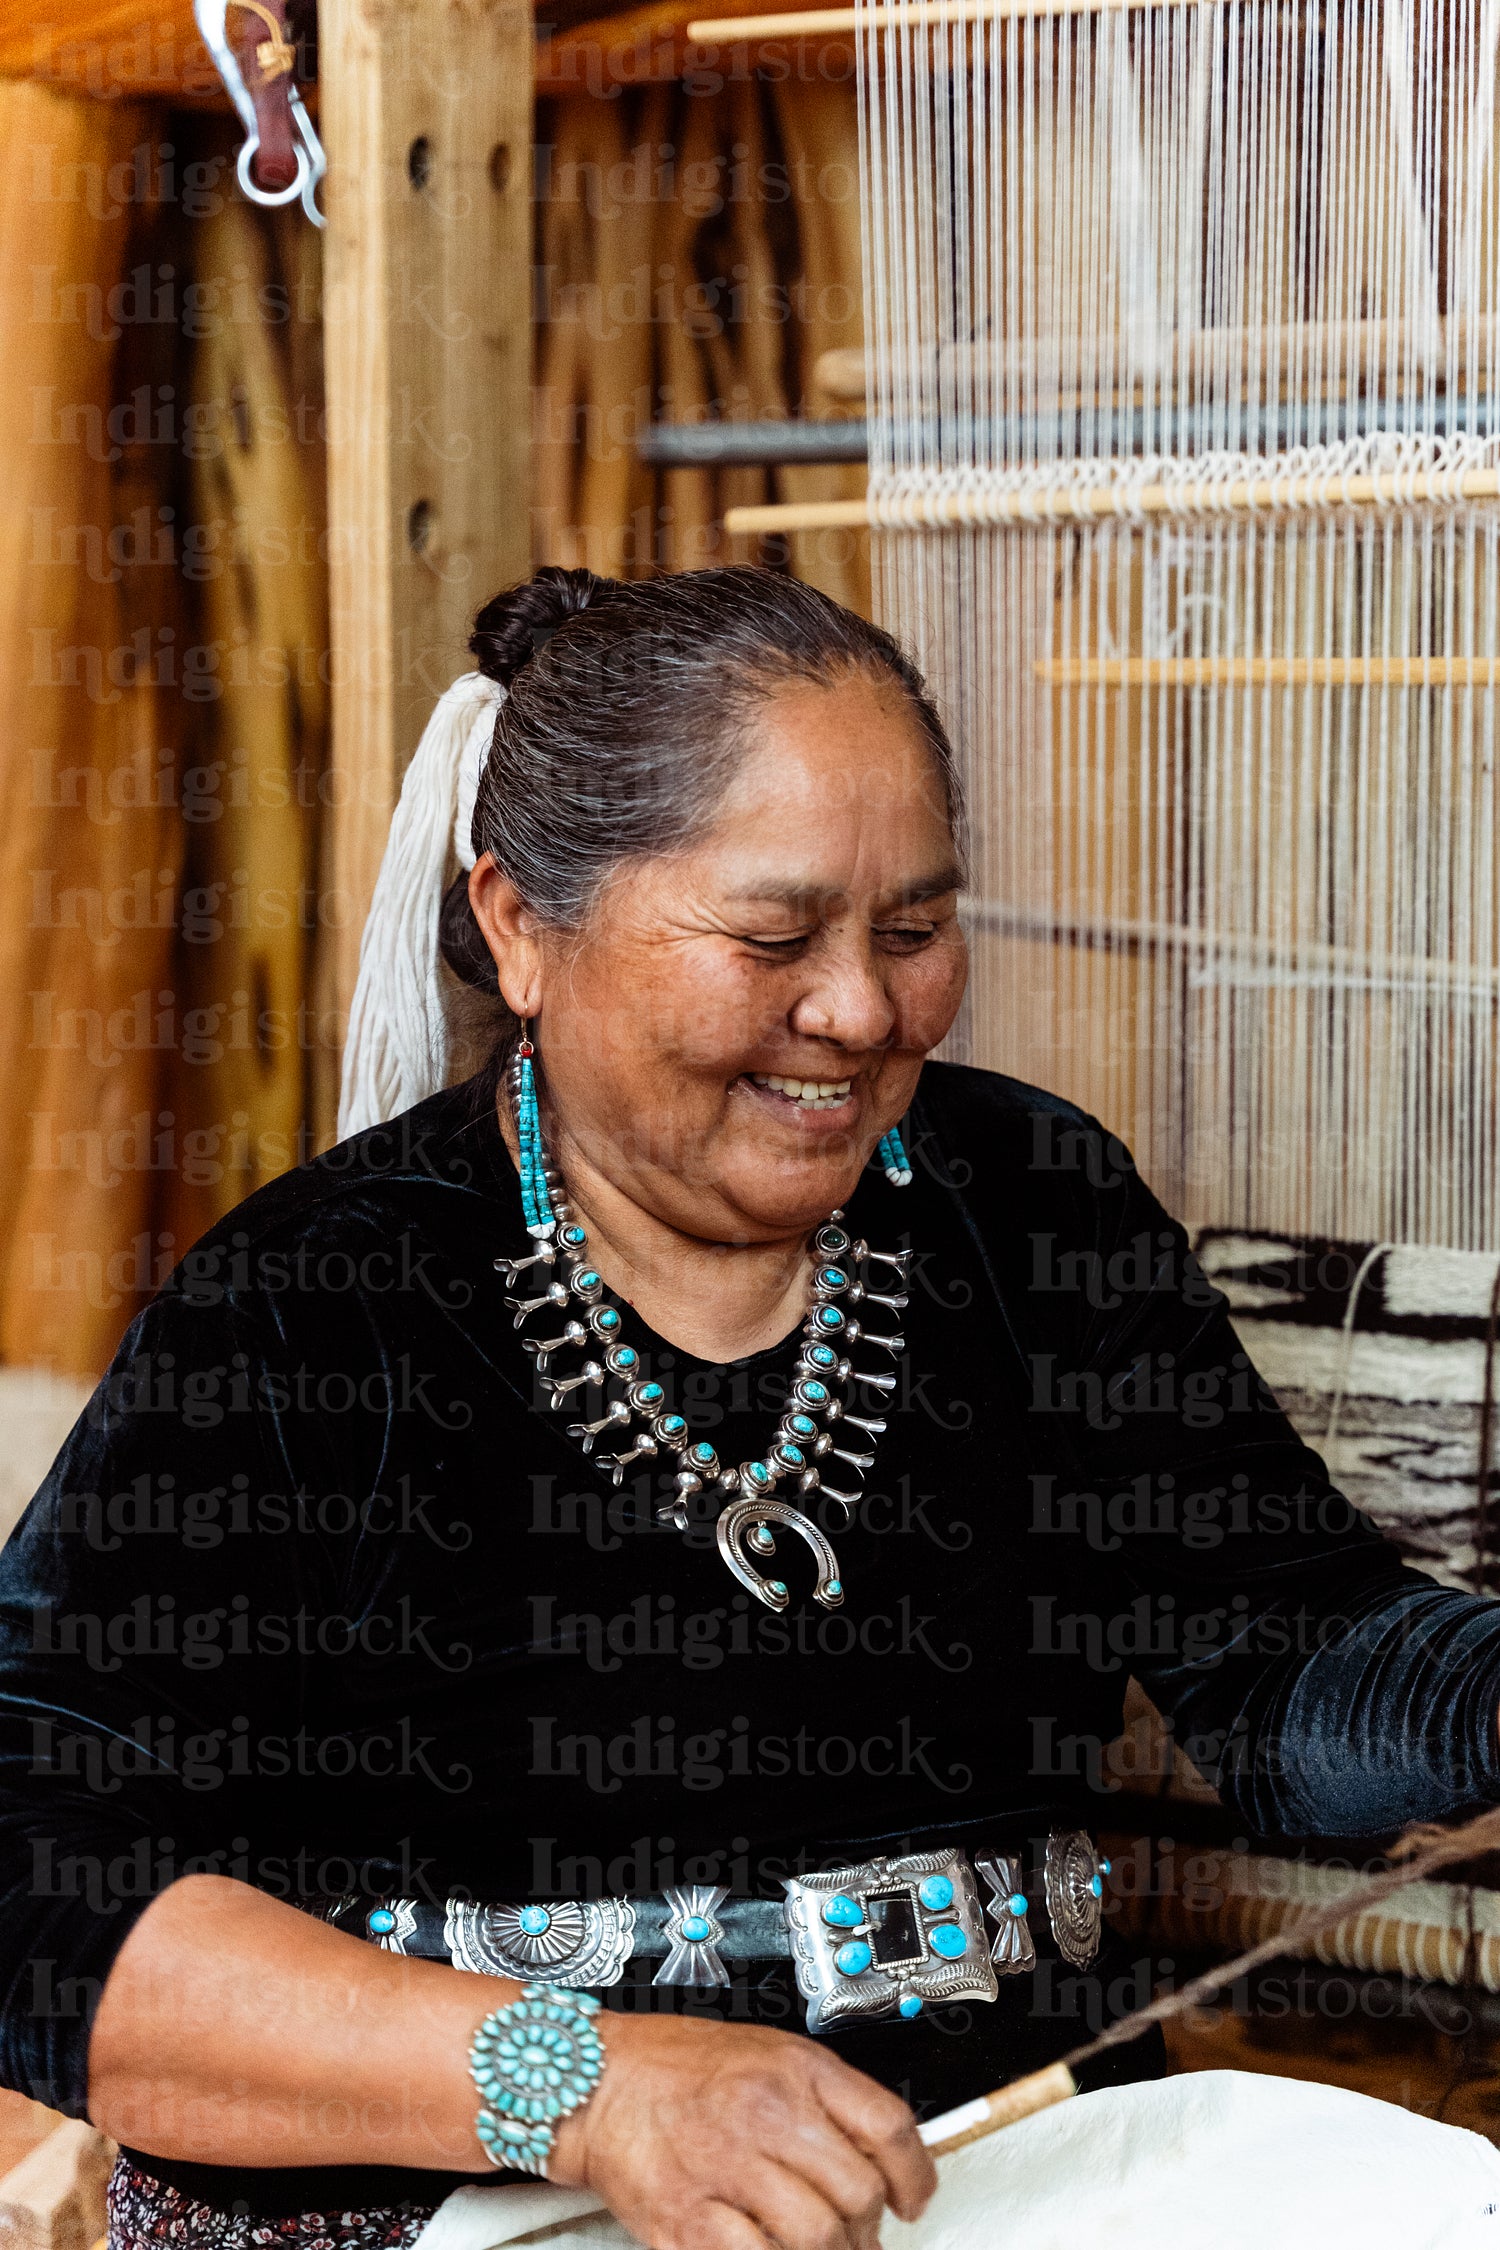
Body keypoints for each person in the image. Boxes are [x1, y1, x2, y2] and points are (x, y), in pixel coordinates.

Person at [1, 563, 1498, 2250]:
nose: (860, 1010)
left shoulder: (1024, 1205)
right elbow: (34, 1884)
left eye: (916, 931)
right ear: (519, 926)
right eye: (774, 937)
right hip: (480, 2203)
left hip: (1002, 2160)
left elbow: (1283, 1660)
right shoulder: (321, 1305)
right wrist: (595, 2084)